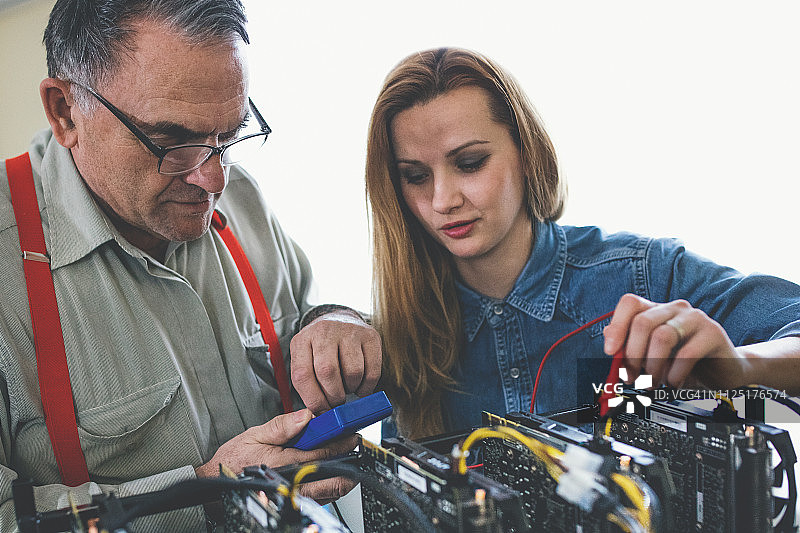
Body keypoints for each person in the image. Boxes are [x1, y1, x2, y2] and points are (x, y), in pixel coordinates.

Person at [0, 0, 381, 530]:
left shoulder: (240, 196)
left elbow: (303, 314)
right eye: (171, 143)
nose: (214, 180)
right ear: (65, 111)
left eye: (229, 136)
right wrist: (205, 490)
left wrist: (336, 321)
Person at [365, 47, 800, 439]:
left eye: (470, 163)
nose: (443, 200)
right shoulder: (399, 338)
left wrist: (740, 370)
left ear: (526, 151)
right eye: (416, 176)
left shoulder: (644, 275)